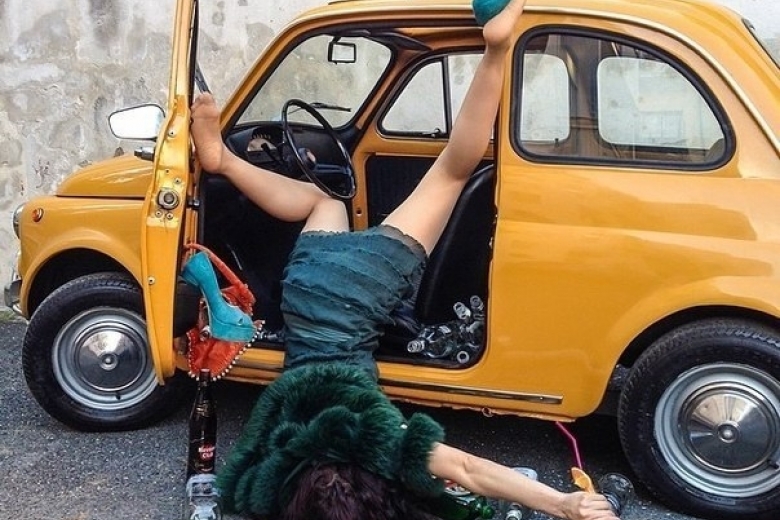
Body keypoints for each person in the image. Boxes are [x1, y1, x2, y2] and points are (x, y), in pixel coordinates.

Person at [189, 1, 620, 519]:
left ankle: (497, 49)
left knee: (452, 171)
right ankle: (225, 160)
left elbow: (467, 469)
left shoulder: (377, 439)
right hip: (304, 293)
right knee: (325, 201)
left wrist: (564, 504)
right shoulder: (273, 473)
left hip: (357, 294)